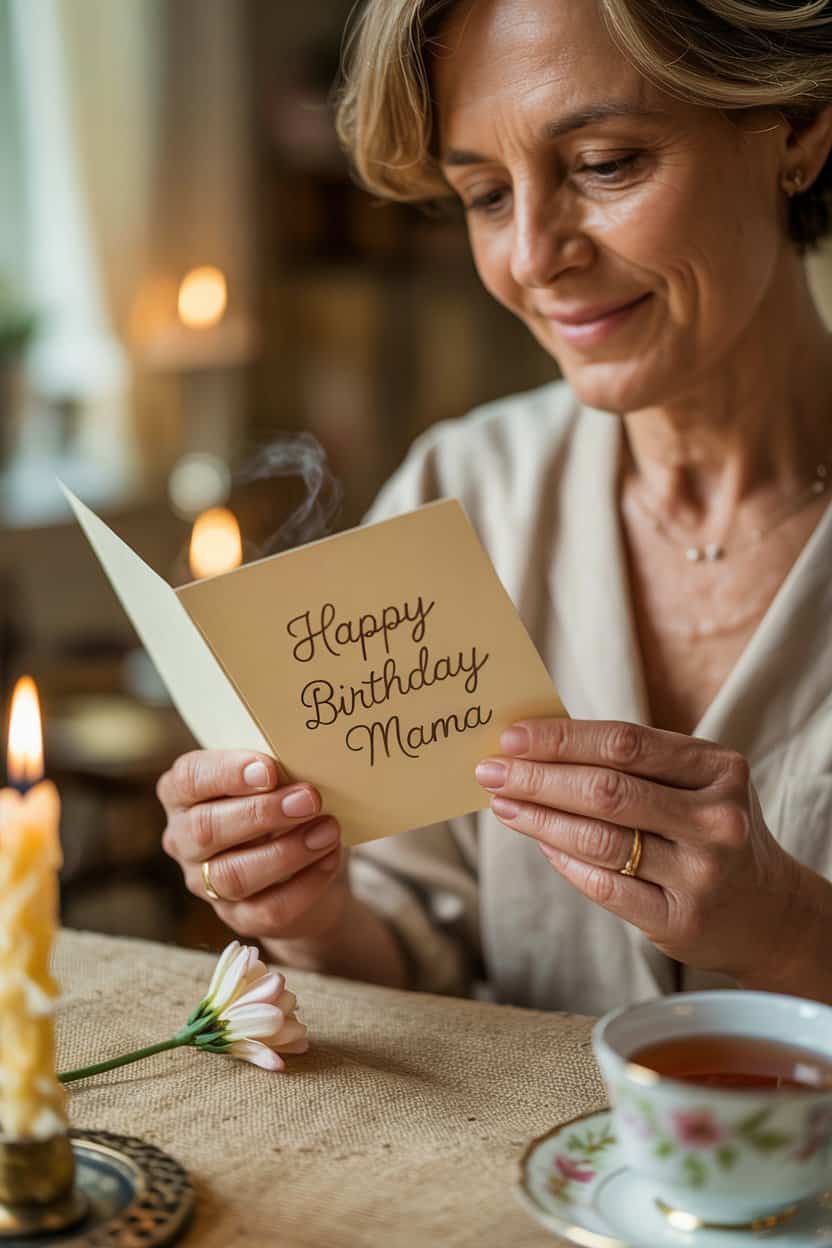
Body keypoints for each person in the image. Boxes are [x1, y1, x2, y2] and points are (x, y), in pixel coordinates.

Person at [159, 0, 832, 1014]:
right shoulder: (460, 491)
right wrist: (309, 912)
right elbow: (421, 951)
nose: (530, 256)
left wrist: (792, 932)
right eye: (482, 193)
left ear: (796, 126)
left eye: (605, 163)